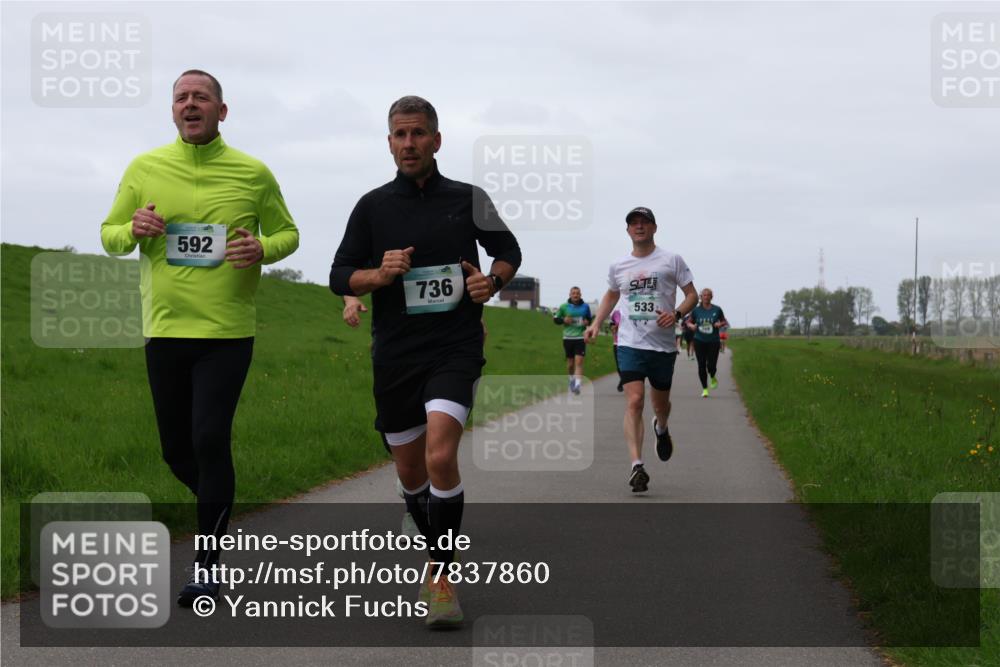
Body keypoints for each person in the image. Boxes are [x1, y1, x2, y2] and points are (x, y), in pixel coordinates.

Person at [100, 70, 299, 606]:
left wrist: (262, 248)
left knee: (210, 439)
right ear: (172, 111)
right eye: (182, 98)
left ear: (221, 111)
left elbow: (288, 233)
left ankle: (208, 563)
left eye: (201, 97)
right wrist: (132, 229)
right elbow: (110, 235)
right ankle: (219, 508)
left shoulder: (253, 173)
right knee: (176, 452)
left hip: (226, 333)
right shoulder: (144, 168)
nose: (191, 104)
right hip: (164, 328)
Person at [329, 95, 521, 627]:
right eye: (399, 135)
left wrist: (492, 281)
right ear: (389, 142)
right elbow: (339, 275)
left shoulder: (468, 197)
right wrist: (379, 276)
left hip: (454, 347)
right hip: (395, 355)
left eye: (417, 134)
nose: (408, 144)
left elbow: (509, 250)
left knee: (441, 457)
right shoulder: (372, 207)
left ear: (436, 140)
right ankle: (429, 530)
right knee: (412, 473)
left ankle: (440, 576)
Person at [584, 207, 696, 493]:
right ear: (628, 231)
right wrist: (597, 323)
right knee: (634, 401)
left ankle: (661, 427)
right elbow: (612, 293)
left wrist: (677, 314)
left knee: (660, 405)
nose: (639, 226)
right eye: (634, 223)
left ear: (654, 228)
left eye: (644, 222)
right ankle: (637, 465)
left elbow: (692, 295)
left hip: (662, 346)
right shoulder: (619, 265)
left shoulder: (672, 260)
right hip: (630, 343)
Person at [687, 288, 729, 398]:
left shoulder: (717, 309)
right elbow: (688, 322)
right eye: (704, 295)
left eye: (708, 295)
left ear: (711, 297)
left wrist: (720, 324)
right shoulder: (696, 310)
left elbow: (724, 321)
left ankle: (713, 376)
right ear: (701, 297)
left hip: (713, 341)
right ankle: (705, 389)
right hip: (699, 340)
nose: (706, 297)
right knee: (701, 365)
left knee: (711, 365)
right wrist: (692, 326)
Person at [553, 287, 591, 394]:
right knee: (570, 364)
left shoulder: (585, 307)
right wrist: (563, 320)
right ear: (570, 295)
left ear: (580, 295)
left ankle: (577, 386)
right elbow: (555, 319)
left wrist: (586, 322)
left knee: (579, 362)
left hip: (580, 338)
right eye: (573, 293)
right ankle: (571, 380)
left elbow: (589, 319)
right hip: (568, 338)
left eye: (577, 293)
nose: (575, 295)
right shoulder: (564, 307)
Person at [610, 308, 624, 392]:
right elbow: (611, 326)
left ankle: (623, 382)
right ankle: (624, 380)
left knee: (628, 365)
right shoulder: (615, 313)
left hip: (630, 343)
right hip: (617, 343)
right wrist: (615, 327)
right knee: (619, 366)